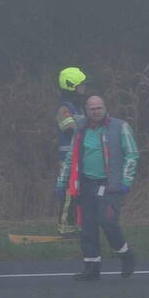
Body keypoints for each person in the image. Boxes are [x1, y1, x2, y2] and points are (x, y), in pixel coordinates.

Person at [56, 96, 138, 281]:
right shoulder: (81, 129)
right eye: (92, 108)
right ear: (86, 110)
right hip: (86, 185)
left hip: (109, 186)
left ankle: (125, 254)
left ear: (105, 108)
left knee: (107, 221)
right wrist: (62, 182)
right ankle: (91, 267)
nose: (96, 111)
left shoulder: (120, 127)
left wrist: (126, 181)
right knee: (87, 227)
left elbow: (132, 155)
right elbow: (71, 157)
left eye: (99, 107)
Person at [55, 67, 87, 237]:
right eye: (81, 85)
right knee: (68, 193)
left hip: (79, 158)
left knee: (78, 193)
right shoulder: (64, 109)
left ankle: (76, 225)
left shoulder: (78, 108)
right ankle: (65, 228)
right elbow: (71, 129)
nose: (84, 89)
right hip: (67, 160)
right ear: (71, 86)